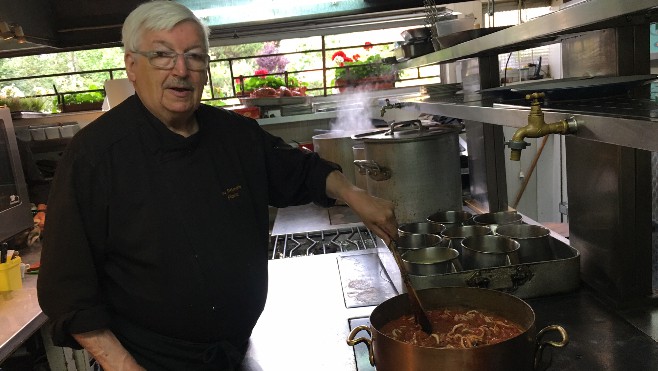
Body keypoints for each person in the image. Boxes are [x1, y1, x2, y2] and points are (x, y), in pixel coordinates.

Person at [36, 1, 397, 370]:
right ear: (131, 65)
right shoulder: (95, 155)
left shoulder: (233, 135)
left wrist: (356, 195)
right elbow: (66, 289)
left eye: (194, 57)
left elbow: (299, 169)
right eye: (162, 55)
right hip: (146, 361)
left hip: (233, 352)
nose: (181, 70)